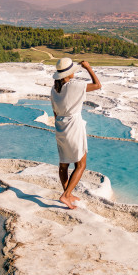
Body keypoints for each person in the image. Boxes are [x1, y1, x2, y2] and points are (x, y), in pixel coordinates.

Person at [50, 57, 102, 209]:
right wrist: (88, 67)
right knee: (81, 164)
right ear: (69, 73)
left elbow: (54, 112)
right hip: (74, 125)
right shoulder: (75, 85)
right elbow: (97, 85)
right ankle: (66, 196)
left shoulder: (54, 89)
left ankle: (68, 193)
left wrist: (61, 125)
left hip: (60, 126)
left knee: (64, 163)